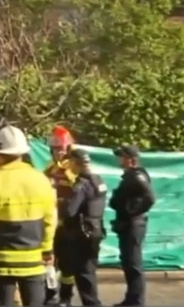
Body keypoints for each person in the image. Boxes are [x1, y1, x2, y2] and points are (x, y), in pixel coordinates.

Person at [0, 125, 57, 307]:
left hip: (0, 260)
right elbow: (50, 218)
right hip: (33, 260)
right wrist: (47, 248)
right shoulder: (40, 179)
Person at [58, 148, 106, 307]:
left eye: (70, 161)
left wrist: (60, 203)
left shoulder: (82, 184)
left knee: (83, 274)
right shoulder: (98, 180)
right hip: (96, 229)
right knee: (89, 271)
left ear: (74, 163)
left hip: (82, 233)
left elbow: (70, 210)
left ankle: (92, 304)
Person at [109, 145, 156, 307]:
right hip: (127, 224)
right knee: (128, 262)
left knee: (134, 264)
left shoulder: (137, 176)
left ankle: (137, 301)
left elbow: (150, 197)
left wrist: (133, 212)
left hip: (133, 225)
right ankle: (131, 299)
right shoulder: (129, 176)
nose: (119, 159)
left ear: (131, 159)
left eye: (121, 156)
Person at [43, 125, 77, 305]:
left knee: (67, 266)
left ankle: (66, 297)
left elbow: (79, 191)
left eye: (61, 149)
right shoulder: (49, 168)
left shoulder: (72, 168)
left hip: (68, 224)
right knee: (49, 261)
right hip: (52, 222)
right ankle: (51, 295)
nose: (58, 153)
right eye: (55, 149)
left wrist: (68, 172)